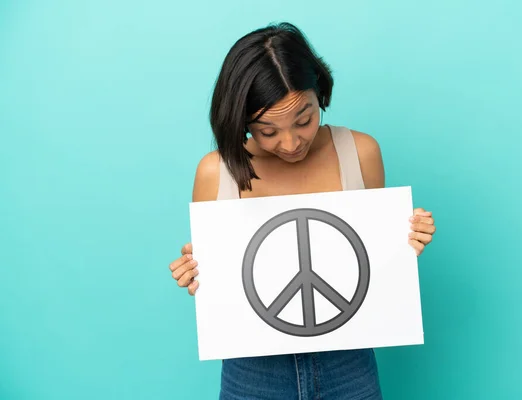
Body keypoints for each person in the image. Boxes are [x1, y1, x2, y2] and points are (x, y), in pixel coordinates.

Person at [168, 22, 436, 399]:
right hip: (252, 371)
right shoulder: (215, 172)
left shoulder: (360, 153)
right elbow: (225, 281)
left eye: (304, 120)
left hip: (349, 363)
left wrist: (405, 241)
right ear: (242, 119)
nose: (291, 142)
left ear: (320, 94)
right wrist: (195, 272)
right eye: (267, 130)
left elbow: (372, 261)